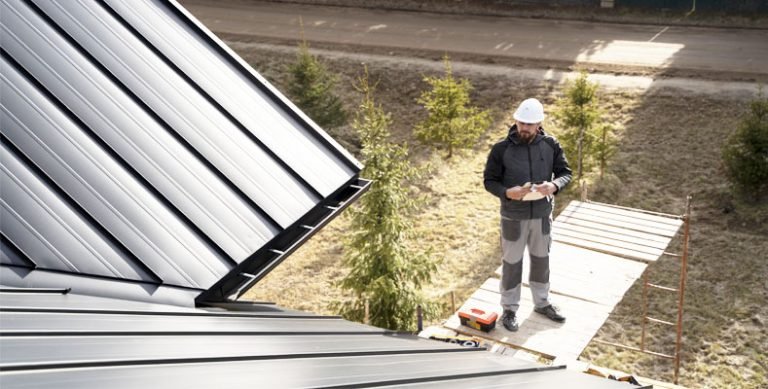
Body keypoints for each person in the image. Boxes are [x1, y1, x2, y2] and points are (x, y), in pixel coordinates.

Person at [483, 98, 572, 332]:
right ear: (515, 120)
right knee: (512, 263)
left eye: (529, 124)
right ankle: (510, 309)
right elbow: (489, 181)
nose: (524, 127)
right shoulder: (501, 149)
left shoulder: (551, 145)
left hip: (542, 215)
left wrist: (554, 186)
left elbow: (565, 173)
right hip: (513, 217)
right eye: (521, 122)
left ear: (539, 124)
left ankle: (542, 303)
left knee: (541, 260)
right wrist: (506, 192)